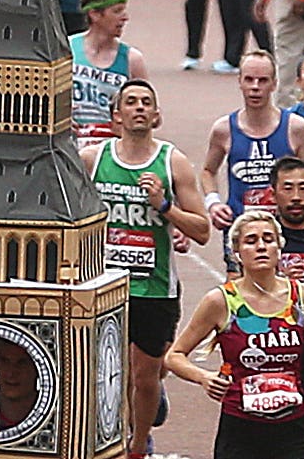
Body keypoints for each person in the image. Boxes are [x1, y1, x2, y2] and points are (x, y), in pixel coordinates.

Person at [168, 214, 304, 459]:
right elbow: (174, 356)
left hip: (292, 427)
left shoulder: (302, 297)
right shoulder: (221, 301)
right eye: (251, 241)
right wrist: (204, 377)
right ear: (236, 252)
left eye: (268, 239)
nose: (260, 246)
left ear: (279, 248)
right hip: (240, 427)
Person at [103, 76, 208, 454]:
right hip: (105, 285)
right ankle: (112, 437)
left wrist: (165, 207)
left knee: (145, 377)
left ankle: (137, 442)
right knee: (107, 372)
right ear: (117, 115)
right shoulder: (94, 159)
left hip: (155, 288)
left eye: (147, 102)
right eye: (131, 102)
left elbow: (202, 231)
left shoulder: (172, 161)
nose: (140, 108)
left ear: (157, 115)